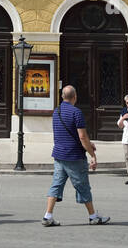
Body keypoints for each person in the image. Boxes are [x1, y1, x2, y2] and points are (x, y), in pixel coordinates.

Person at [42, 85, 109, 226]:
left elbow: (67, 134)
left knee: (56, 184)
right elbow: (82, 136)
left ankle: (48, 216)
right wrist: (92, 154)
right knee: (83, 185)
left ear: (62, 96)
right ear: (75, 97)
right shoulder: (76, 112)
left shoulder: (56, 111)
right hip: (74, 156)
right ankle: (93, 216)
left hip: (59, 154)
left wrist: (88, 145)